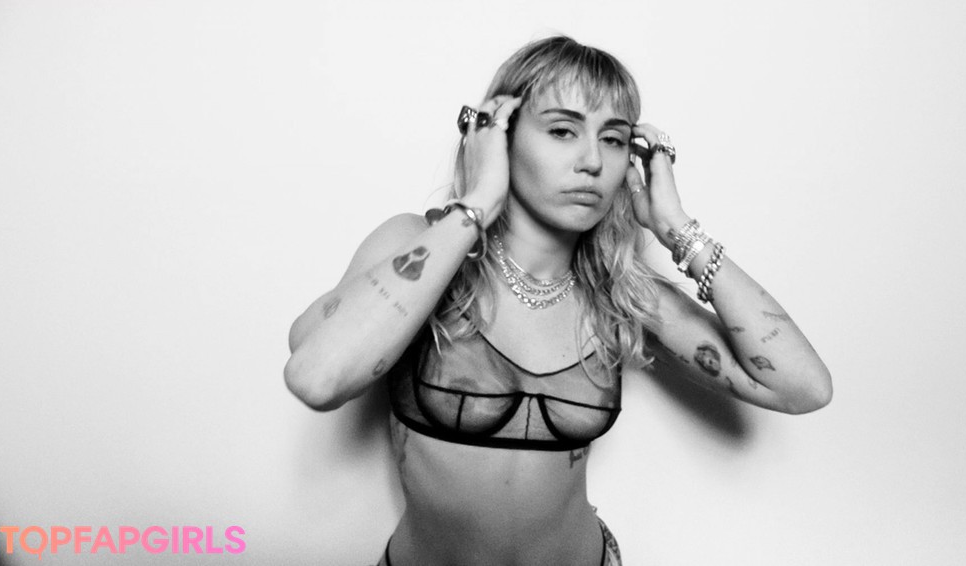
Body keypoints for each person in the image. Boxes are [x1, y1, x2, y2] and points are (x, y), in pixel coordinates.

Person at [284, 35, 832, 566]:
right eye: (563, 131)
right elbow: (317, 378)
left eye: (613, 139)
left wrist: (677, 228)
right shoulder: (418, 245)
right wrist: (477, 202)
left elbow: (804, 388)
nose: (592, 160)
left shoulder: (622, 292)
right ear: (500, 136)